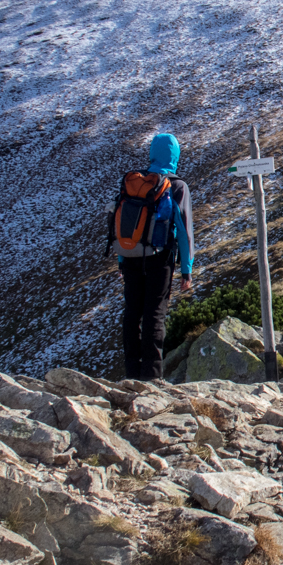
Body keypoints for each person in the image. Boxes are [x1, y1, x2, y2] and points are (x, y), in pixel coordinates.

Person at [117, 132, 195, 380]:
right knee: (154, 313)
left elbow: (121, 223)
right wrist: (186, 269)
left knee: (132, 313)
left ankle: (131, 372)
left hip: (130, 256)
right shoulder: (177, 186)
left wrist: (122, 259)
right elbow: (183, 230)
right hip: (160, 258)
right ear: (175, 155)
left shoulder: (136, 183)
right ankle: (151, 376)